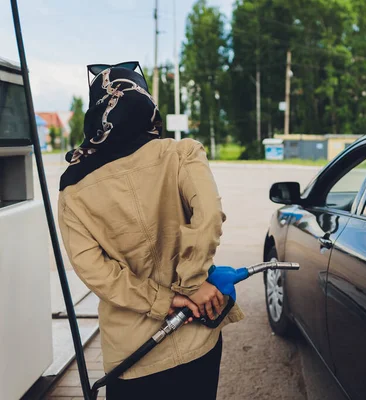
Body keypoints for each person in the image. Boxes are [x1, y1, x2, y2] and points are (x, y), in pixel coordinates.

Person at [58, 64, 243, 399]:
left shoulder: (72, 187)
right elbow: (210, 214)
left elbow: (93, 270)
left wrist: (164, 299)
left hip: (131, 355)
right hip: (196, 340)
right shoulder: (180, 153)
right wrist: (191, 284)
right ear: (146, 105)